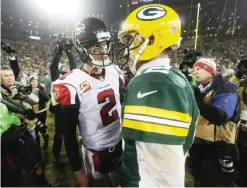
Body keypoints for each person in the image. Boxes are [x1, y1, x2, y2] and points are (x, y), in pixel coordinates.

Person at [118, 4, 199, 187]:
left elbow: (162, 172)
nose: (127, 49)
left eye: (133, 40)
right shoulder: (171, 76)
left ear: (152, 40)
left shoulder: (154, 83)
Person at [53, 17, 124, 187]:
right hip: (95, 153)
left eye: (104, 44)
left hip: (120, 143)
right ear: (82, 49)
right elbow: (68, 133)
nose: (103, 50)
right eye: (95, 46)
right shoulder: (70, 83)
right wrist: (77, 170)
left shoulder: (115, 71)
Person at [190, 58, 240, 186]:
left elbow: (221, 117)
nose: (195, 72)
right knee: (197, 175)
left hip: (218, 144)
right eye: (194, 69)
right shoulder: (201, 88)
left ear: (210, 72)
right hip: (200, 141)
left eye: (199, 69)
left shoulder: (225, 87)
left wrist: (196, 101)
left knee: (215, 179)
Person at [50, 36, 77, 165]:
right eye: (64, 67)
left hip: (72, 108)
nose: (67, 68)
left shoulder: (73, 77)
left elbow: (75, 67)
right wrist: (59, 52)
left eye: (68, 67)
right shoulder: (57, 79)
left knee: (70, 134)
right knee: (59, 133)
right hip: (60, 109)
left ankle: (72, 156)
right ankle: (56, 154)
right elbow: (53, 67)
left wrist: (70, 52)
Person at [30, 75, 50, 149]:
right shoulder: (28, 89)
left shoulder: (41, 88)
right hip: (33, 113)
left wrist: (39, 92)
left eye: (35, 81)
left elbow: (47, 99)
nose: (34, 82)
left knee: (42, 127)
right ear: (30, 82)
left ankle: (46, 142)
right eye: (32, 81)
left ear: (38, 81)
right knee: (35, 129)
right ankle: (37, 145)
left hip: (42, 112)